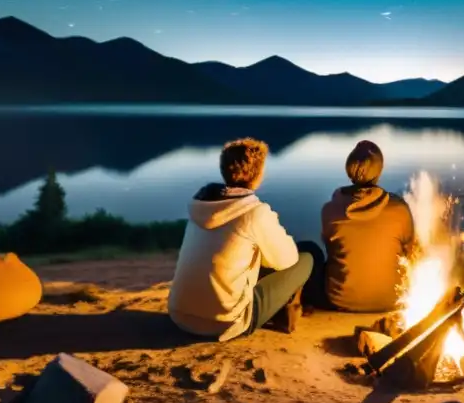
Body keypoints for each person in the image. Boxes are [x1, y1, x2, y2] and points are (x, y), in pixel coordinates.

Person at [168, 137, 314, 341]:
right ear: (258, 174)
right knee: (307, 257)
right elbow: (287, 260)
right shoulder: (254, 213)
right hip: (223, 322)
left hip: (179, 315)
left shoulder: (201, 207)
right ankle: (286, 315)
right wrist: (273, 225)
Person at [321, 140, 414, 312]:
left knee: (313, 254)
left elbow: (331, 251)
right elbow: (409, 252)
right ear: (379, 171)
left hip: (340, 300)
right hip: (392, 299)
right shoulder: (399, 210)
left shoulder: (330, 210)